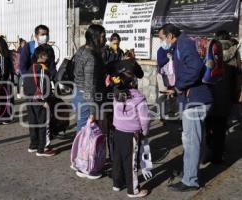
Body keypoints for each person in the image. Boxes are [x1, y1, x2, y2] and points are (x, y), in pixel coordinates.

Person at [158, 24, 213, 191]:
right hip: (195, 98)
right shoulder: (180, 44)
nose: (161, 42)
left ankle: (190, 180)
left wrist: (179, 87)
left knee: (191, 142)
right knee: (196, 139)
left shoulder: (184, 44)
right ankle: (192, 172)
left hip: (194, 100)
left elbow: (195, 67)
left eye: (162, 38)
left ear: (170, 36)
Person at [205, 31, 242, 164]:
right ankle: (217, 155)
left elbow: (206, 71)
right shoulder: (235, 53)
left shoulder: (213, 50)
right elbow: (238, 74)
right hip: (226, 93)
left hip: (212, 92)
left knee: (208, 124)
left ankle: (209, 150)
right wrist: (237, 92)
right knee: (220, 127)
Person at [111, 70, 149, 198]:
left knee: (118, 158)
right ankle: (133, 190)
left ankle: (117, 183)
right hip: (131, 134)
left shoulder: (116, 95)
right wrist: (145, 132)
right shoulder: (139, 98)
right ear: (134, 83)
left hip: (117, 131)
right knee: (130, 162)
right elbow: (145, 119)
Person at [72, 24, 107, 132]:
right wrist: (92, 111)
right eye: (102, 37)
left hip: (78, 93)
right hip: (87, 98)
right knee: (85, 132)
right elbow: (89, 86)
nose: (105, 40)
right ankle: (82, 149)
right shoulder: (90, 57)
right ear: (94, 37)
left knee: (83, 129)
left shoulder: (81, 50)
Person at [23, 44, 55, 157]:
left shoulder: (30, 68)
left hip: (29, 100)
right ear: (42, 56)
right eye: (46, 55)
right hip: (40, 101)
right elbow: (43, 86)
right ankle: (43, 148)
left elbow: (25, 84)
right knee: (43, 124)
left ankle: (33, 145)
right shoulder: (43, 69)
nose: (48, 58)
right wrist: (45, 100)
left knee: (33, 123)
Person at [0, 35, 14, 124]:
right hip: (2, 80)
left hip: (6, 81)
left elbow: (4, 71)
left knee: (6, 99)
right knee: (2, 99)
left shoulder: (4, 56)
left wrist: (0, 82)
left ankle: (6, 117)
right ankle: (1, 115)